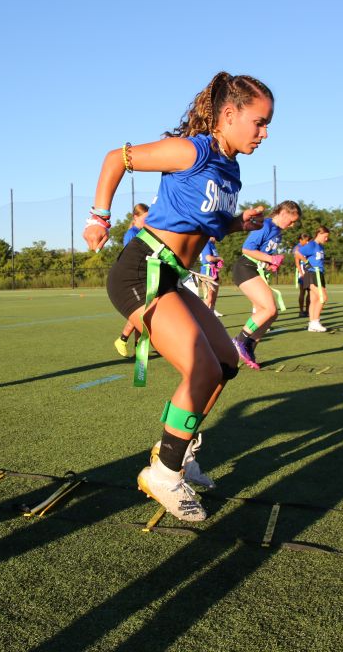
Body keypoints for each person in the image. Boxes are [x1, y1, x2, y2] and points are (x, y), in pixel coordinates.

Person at [83, 71, 272, 522]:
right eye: (259, 122)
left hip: (172, 276)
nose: (264, 133)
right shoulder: (194, 150)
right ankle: (164, 474)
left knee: (225, 363)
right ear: (229, 115)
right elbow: (116, 158)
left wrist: (238, 223)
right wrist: (99, 217)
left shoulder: (233, 170)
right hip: (141, 271)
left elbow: (207, 221)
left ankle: (178, 454)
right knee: (201, 367)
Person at [230, 200, 301, 369]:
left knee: (271, 313)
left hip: (255, 270)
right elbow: (247, 249)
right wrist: (271, 259)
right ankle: (239, 341)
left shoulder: (278, 231)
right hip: (245, 268)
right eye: (291, 221)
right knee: (269, 309)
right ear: (283, 213)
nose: (292, 226)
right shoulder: (265, 225)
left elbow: (262, 253)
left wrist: (269, 263)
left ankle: (249, 348)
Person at [114, 203, 150, 357]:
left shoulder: (143, 232)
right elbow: (132, 257)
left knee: (145, 312)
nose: (147, 222)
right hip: (134, 278)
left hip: (145, 275)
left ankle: (138, 348)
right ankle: (122, 340)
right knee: (141, 312)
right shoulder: (132, 234)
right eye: (145, 218)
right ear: (136, 217)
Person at [296, 226, 331, 332]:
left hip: (319, 274)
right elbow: (297, 253)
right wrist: (306, 264)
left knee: (315, 300)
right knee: (323, 297)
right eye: (325, 236)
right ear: (319, 234)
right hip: (312, 274)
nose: (326, 239)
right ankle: (315, 322)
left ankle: (312, 324)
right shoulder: (312, 244)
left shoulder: (320, 247)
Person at [197, 240, 223, 316]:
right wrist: (219, 258)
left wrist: (217, 263)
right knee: (209, 297)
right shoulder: (206, 243)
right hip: (207, 272)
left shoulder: (212, 244)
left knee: (213, 298)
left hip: (213, 271)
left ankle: (211, 316)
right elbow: (209, 258)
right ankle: (202, 317)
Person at [293, 233, 311, 318]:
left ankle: (308, 310)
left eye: (308, 240)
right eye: (306, 240)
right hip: (302, 272)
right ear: (301, 240)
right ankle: (301, 311)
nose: (307, 242)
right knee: (302, 292)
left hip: (310, 272)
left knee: (310, 292)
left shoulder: (309, 246)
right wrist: (301, 273)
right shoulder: (298, 248)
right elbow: (297, 262)